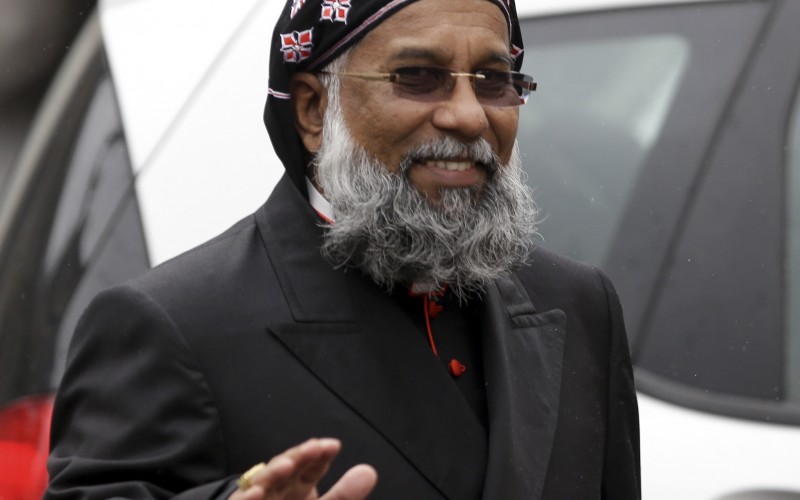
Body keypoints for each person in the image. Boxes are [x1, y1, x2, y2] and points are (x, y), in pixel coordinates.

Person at [46, 0, 641, 498]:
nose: (468, 116)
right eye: (417, 76)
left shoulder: (578, 304)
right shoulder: (173, 324)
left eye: (492, 81)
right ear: (313, 108)